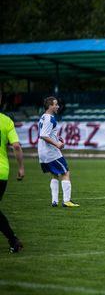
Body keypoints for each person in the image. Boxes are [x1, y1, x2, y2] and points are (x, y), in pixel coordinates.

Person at [38, 97, 79, 207]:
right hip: (51, 152)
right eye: (56, 104)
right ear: (50, 106)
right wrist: (57, 144)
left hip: (42, 152)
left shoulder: (43, 117)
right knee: (65, 172)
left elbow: (46, 133)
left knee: (55, 174)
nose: (58, 106)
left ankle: (54, 201)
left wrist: (57, 138)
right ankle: (67, 201)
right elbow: (44, 135)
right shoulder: (50, 119)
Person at [0, 92, 24, 253]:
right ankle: (13, 240)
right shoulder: (6, 120)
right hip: (2, 171)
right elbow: (15, 146)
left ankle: (13, 239)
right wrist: (21, 167)